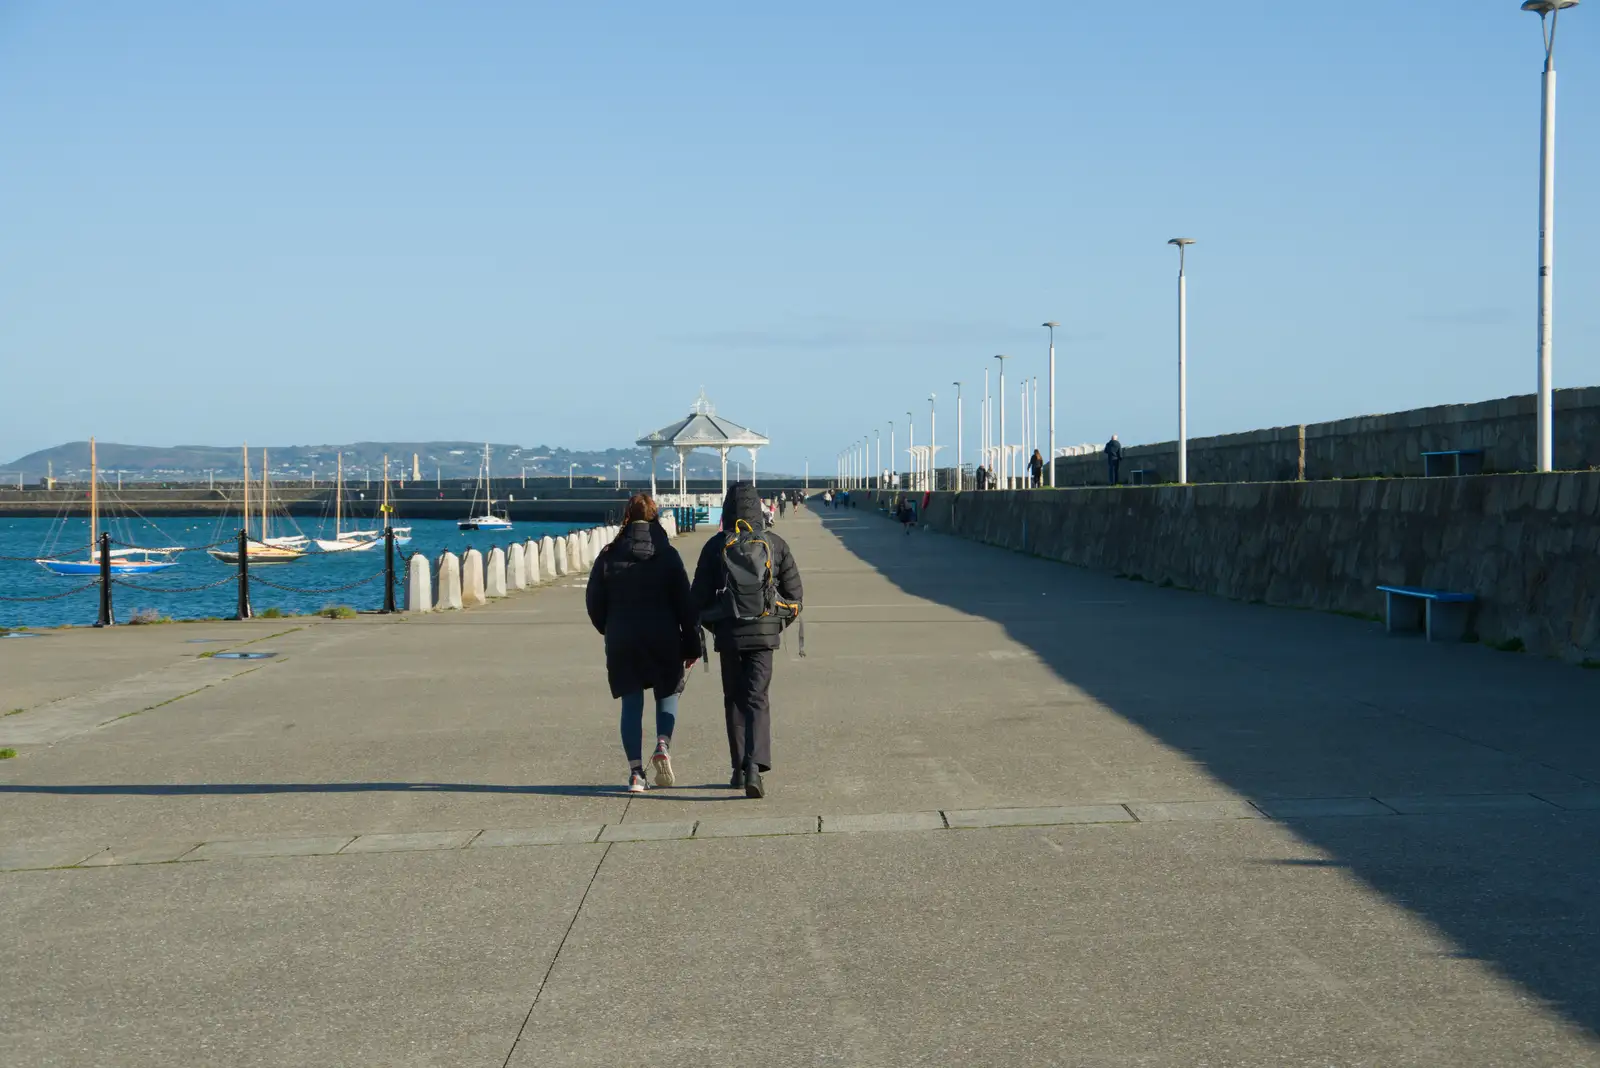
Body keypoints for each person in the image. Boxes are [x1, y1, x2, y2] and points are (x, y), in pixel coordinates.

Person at [691, 482, 803, 799]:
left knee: (734, 700)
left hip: (728, 634)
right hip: (765, 634)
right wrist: (774, 624)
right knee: (758, 698)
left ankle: (738, 769)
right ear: (759, 508)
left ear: (727, 511)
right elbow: (795, 597)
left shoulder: (715, 546)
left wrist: (716, 623)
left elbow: (696, 599)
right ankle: (755, 767)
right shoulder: (776, 544)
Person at [586, 493, 702, 793]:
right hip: (663, 636)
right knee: (668, 694)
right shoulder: (668, 554)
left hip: (623, 638)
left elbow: (594, 601)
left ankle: (637, 773)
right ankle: (663, 743)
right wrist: (691, 645)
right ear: (655, 516)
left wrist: (609, 629)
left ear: (627, 515)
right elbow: (685, 604)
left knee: (631, 703)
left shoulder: (609, 554)